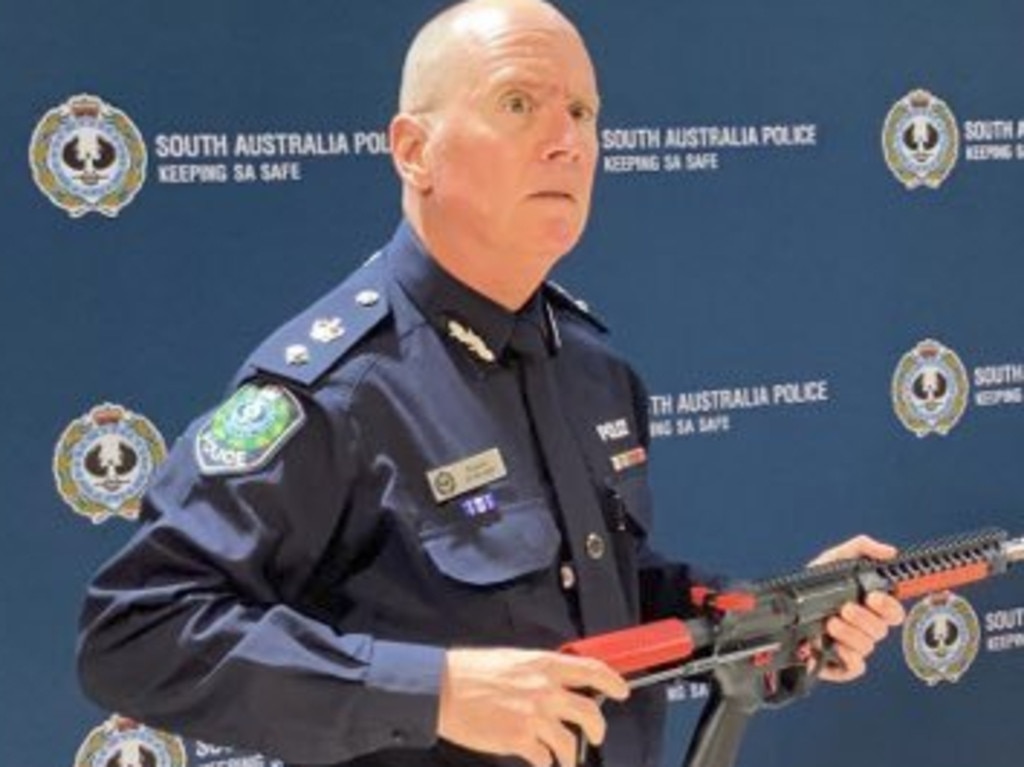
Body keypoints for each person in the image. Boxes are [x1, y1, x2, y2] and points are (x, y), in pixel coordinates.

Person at [77, 2, 905, 766]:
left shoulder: (594, 370)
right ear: (414, 150)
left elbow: (596, 596)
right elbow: (137, 631)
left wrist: (766, 610)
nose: (568, 140)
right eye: (519, 104)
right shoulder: (338, 389)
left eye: (583, 113)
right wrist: (434, 691)